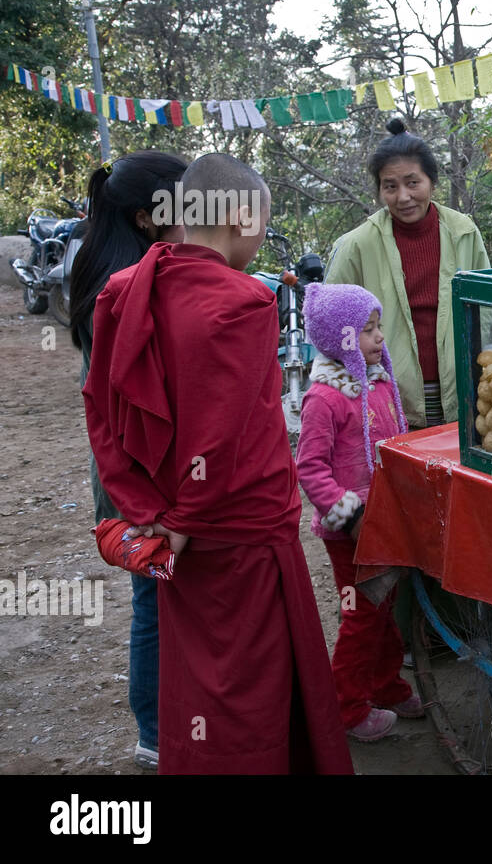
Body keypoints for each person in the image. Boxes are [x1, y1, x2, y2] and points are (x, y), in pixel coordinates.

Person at [81, 152, 353, 774]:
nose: (260, 239)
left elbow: (101, 412)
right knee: (249, 691)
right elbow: (220, 432)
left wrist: (148, 513)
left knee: (200, 680)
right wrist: (184, 517)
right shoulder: (243, 301)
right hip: (237, 532)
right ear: (237, 216)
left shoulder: (126, 291)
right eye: (262, 222)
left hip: (174, 531)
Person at [69, 150, 188, 772]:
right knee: (156, 598)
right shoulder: (126, 290)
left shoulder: (104, 270)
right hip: (139, 475)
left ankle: (164, 727)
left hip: (127, 471)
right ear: (148, 217)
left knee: (162, 597)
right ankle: (156, 731)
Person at [296, 283, 422, 742]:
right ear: (338, 338)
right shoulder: (324, 399)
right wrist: (346, 515)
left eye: (378, 327)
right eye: (366, 330)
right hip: (351, 532)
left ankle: (386, 686)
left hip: (385, 522)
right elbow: (309, 468)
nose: (378, 338)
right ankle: (345, 709)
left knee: (384, 610)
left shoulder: (378, 384)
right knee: (362, 615)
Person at [327, 118, 491, 428]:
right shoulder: (356, 246)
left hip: (464, 399)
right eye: (391, 186)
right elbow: (332, 328)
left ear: (432, 181)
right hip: (385, 401)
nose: (403, 196)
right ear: (380, 190)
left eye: (412, 182)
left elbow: (486, 312)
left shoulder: (463, 233)